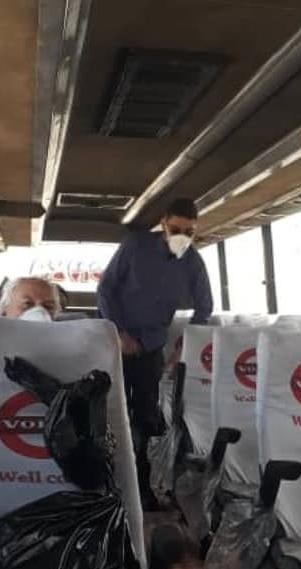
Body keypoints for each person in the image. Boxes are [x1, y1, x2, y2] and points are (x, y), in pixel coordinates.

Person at [98, 197, 213, 508]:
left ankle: (141, 487)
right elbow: (106, 289)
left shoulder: (192, 262)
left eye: (189, 232)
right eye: (176, 229)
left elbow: (205, 307)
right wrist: (119, 332)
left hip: (151, 347)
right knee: (108, 412)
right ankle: (106, 484)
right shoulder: (135, 246)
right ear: (163, 224)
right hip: (115, 343)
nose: (182, 237)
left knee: (146, 418)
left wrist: (183, 345)